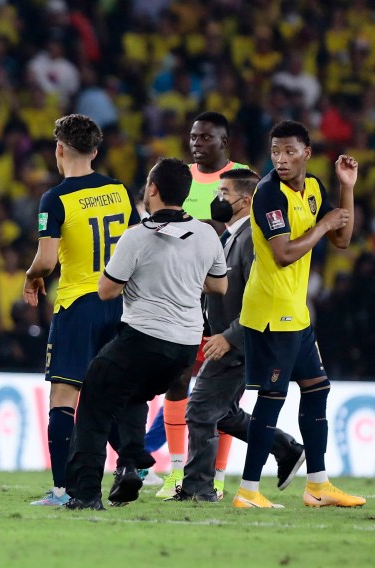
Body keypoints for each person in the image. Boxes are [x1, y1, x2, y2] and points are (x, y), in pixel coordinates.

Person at [64, 158, 228, 510]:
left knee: (93, 400)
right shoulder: (206, 233)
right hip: (184, 348)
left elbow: (107, 290)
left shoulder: (137, 236)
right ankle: (131, 462)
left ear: (152, 189)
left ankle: (85, 493)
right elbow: (219, 285)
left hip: (144, 338)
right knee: (133, 394)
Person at [233, 121, 365, 509]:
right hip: (272, 312)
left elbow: (341, 240)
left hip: (296, 312)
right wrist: (324, 223)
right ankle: (248, 490)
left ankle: (318, 485)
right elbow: (284, 252)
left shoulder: (313, 190)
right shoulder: (268, 194)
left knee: (317, 389)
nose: (282, 159)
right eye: (276, 151)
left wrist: (347, 188)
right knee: (272, 400)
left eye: (290, 151)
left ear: (307, 152)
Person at [22, 114, 139, 507]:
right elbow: (138, 243)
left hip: (79, 305)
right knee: (110, 396)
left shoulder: (55, 199)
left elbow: (47, 260)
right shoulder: (121, 192)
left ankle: (61, 489)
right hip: (121, 304)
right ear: (95, 150)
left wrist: (30, 276)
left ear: (59, 149)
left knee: (64, 397)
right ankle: (130, 465)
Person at [169, 168, 305, 502]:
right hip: (227, 338)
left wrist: (230, 337)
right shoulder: (229, 237)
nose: (218, 200)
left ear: (245, 201)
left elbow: (264, 296)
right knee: (222, 412)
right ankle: (286, 449)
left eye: (224, 193)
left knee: (200, 410)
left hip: (241, 341)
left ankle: (199, 488)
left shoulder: (251, 240)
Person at [156, 111, 251, 498]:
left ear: (224, 142)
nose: (197, 143)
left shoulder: (241, 178)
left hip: (223, 294)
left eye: (206, 138)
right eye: (194, 136)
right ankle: (176, 473)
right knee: (176, 379)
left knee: (224, 391)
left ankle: (217, 473)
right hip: (181, 293)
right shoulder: (180, 176)